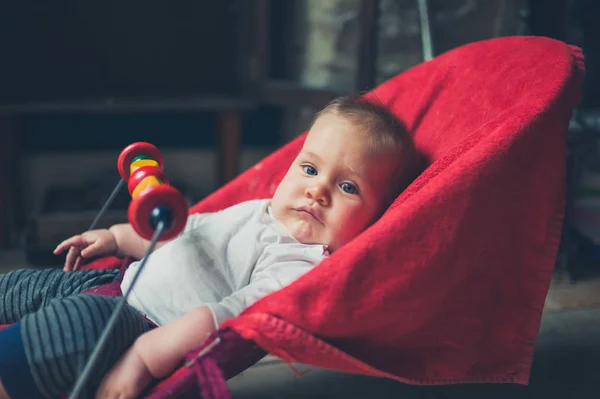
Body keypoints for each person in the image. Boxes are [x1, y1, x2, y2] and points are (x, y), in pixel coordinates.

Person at [0, 94, 420, 399]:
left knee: (55, 336)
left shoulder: (299, 262)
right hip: (118, 277)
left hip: (137, 321)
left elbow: (228, 317)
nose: (317, 191)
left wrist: (143, 359)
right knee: (19, 286)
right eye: (309, 168)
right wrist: (116, 237)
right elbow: (184, 229)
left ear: (376, 216)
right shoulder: (261, 211)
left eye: (347, 187)